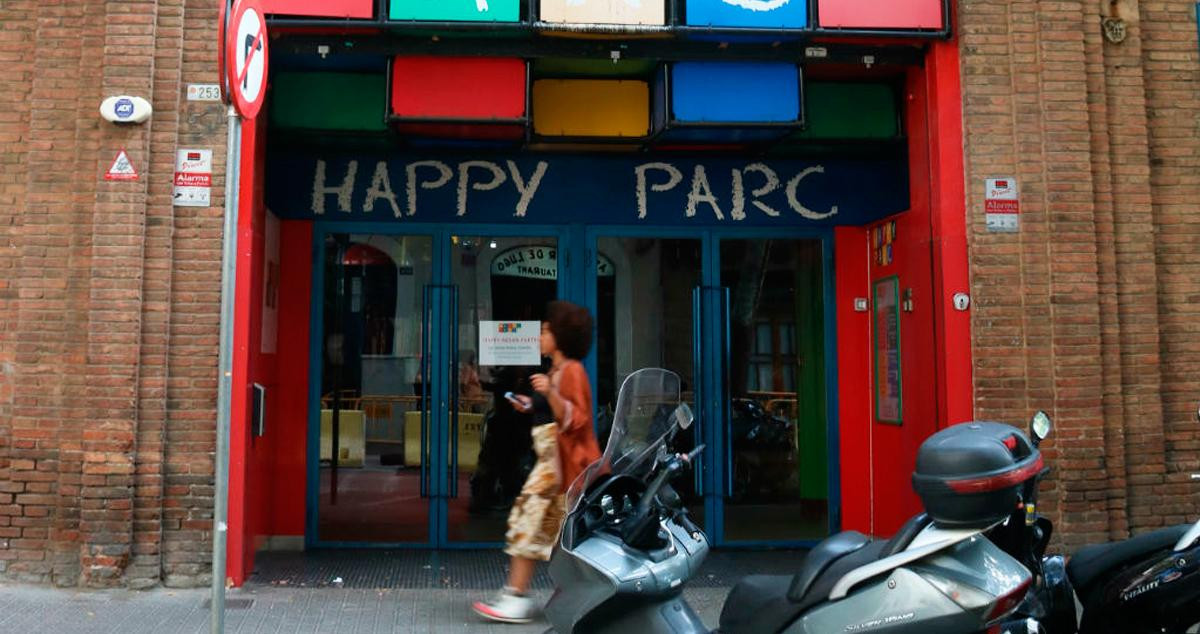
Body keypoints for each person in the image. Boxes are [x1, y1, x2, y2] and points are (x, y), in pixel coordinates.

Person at [472, 301, 601, 624]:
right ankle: (530, 595)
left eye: (546, 330)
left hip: (558, 467)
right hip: (550, 462)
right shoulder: (556, 371)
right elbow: (555, 413)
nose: (540, 336)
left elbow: (577, 419)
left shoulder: (571, 371)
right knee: (549, 531)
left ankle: (516, 597)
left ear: (562, 336)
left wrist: (550, 395)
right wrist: (532, 404)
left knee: (531, 524)